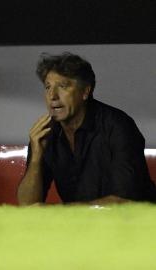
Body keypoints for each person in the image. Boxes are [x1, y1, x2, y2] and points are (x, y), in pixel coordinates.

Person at [17, 52, 156, 205]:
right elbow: (27, 204)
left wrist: (59, 213)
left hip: (137, 224)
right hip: (83, 224)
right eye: (47, 87)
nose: (52, 96)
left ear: (85, 92)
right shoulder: (45, 133)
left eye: (62, 86)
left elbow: (124, 201)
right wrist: (36, 157)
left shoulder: (118, 126)